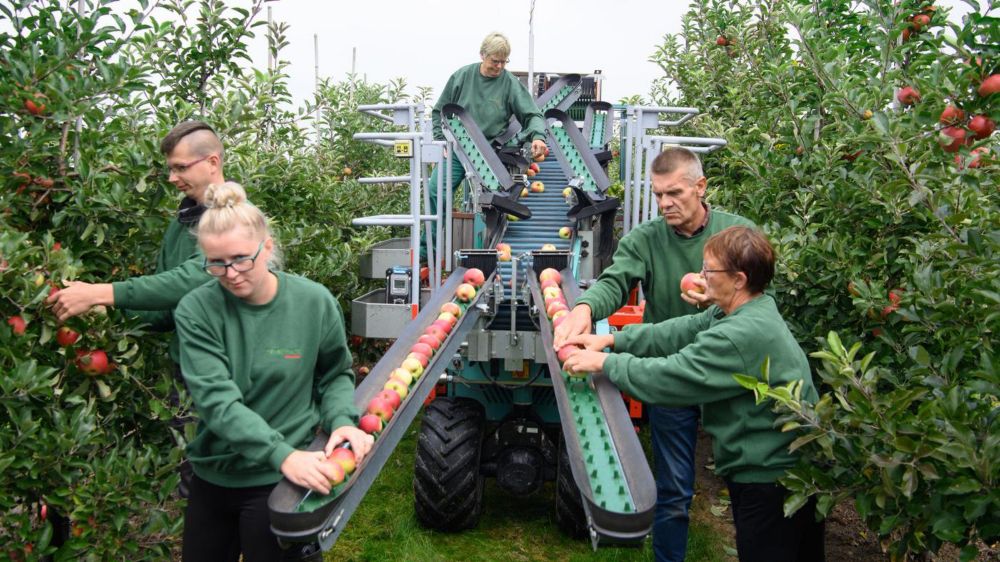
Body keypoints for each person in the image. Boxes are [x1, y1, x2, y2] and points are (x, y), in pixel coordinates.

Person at [561, 226, 824, 562]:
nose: (701, 276)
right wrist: (614, 340)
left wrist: (604, 363)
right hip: (787, 467)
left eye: (709, 270)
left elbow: (673, 376)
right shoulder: (743, 309)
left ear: (739, 279)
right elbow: (680, 330)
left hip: (772, 477)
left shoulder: (740, 333)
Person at [553, 146, 755, 561]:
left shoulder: (735, 235)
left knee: (748, 481)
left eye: (674, 193)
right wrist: (585, 309)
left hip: (728, 373)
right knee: (674, 487)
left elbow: (759, 296)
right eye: (659, 194)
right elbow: (615, 280)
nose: (665, 203)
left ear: (700, 187)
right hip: (671, 374)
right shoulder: (646, 239)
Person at [174, 181, 373, 561]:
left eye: (240, 259)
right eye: (216, 263)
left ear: (266, 247)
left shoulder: (313, 302)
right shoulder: (196, 311)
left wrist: (342, 421)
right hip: (217, 476)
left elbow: (333, 374)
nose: (230, 273)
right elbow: (218, 403)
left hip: (284, 483)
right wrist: (282, 453)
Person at [46, 121, 225, 500]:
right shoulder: (183, 221)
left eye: (181, 167)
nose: (173, 177)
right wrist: (105, 315)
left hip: (228, 370)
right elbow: (165, 307)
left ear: (212, 162)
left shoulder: (233, 216)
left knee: (224, 477)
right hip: (188, 371)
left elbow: (196, 278)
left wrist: (102, 293)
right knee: (193, 476)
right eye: (170, 169)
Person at [426, 31, 548, 260]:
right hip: (457, 149)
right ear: (482, 55)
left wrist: (538, 137)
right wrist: (440, 140)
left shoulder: (509, 83)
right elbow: (438, 111)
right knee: (436, 192)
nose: (500, 66)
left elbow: (532, 115)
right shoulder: (462, 77)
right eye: (495, 61)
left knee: (488, 202)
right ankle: (428, 253)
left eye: (504, 61)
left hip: (489, 153)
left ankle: (484, 254)